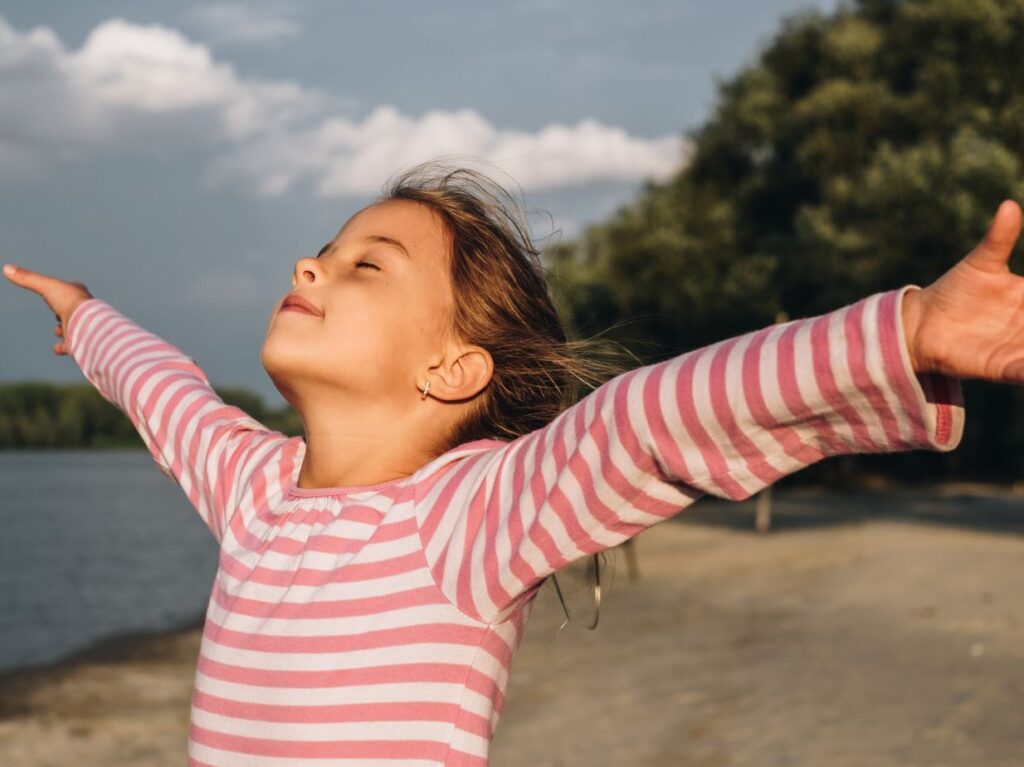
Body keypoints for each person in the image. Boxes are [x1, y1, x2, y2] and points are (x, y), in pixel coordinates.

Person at [5, 159, 1024, 766]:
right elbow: (163, 389)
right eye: (324, 248)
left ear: (454, 368)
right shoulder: (255, 486)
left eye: (365, 264)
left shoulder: (470, 516)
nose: (307, 264)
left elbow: (649, 420)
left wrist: (904, 336)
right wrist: (86, 316)